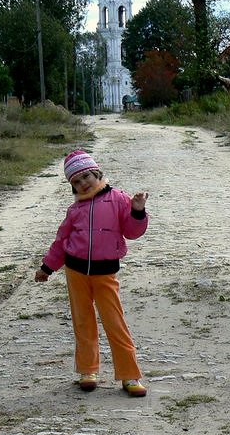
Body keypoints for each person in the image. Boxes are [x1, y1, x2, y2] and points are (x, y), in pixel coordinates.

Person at [34, 150, 149, 397]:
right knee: (83, 322)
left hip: (105, 273)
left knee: (115, 323)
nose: (83, 183)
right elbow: (61, 242)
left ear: (96, 173)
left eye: (86, 176)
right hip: (76, 273)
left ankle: (130, 375)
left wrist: (138, 211)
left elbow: (132, 231)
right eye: (76, 181)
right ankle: (88, 370)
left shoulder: (118, 199)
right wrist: (47, 268)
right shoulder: (74, 210)